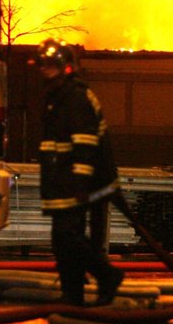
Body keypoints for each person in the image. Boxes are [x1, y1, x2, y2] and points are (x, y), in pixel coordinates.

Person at [34, 38, 124, 306]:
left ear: (68, 68)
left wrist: (80, 183)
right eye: (44, 67)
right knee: (62, 243)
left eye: (52, 67)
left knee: (68, 238)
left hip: (78, 183)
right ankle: (72, 295)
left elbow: (85, 144)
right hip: (62, 183)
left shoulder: (75, 97)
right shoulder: (58, 97)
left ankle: (107, 276)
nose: (46, 72)